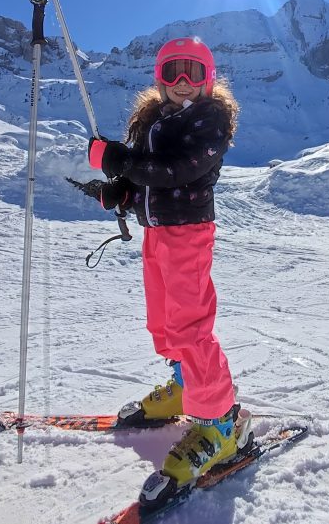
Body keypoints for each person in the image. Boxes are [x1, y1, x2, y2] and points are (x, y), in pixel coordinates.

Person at [85, 36, 250, 501]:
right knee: (163, 323)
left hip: (189, 235)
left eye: (193, 72)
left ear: (209, 79)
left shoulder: (210, 121)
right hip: (158, 234)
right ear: (159, 78)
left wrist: (121, 161)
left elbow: (177, 171)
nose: (182, 83)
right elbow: (149, 178)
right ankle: (185, 389)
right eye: (173, 71)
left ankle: (220, 424)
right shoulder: (155, 120)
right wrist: (121, 191)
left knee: (191, 326)